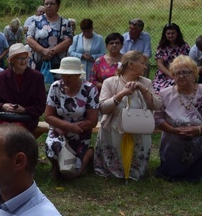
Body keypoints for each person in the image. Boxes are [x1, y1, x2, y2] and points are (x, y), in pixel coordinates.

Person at [94, 51, 160, 181]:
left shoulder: (146, 82)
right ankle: (116, 171)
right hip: (114, 126)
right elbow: (102, 108)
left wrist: (143, 89)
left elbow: (157, 106)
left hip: (139, 125)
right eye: (142, 63)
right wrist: (121, 94)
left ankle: (134, 172)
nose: (145, 66)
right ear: (131, 64)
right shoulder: (110, 82)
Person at [44, 57, 99, 179]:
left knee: (72, 173)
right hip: (58, 129)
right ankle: (55, 165)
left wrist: (71, 129)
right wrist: (66, 126)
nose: (65, 79)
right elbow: (48, 116)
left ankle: (88, 155)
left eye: (69, 76)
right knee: (52, 146)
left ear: (78, 74)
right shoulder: (55, 87)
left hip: (81, 130)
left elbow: (93, 121)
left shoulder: (90, 89)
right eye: (63, 75)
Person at [153, 55, 202, 182]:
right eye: (177, 73)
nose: (181, 76)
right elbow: (157, 118)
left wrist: (199, 129)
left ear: (194, 73)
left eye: (185, 72)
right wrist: (173, 130)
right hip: (173, 141)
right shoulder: (165, 93)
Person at [0, 43, 47, 134]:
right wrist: (3, 106)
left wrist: (25, 110)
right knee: (4, 132)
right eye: (20, 58)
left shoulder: (37, 77)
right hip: (4, 118)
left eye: (26, 58)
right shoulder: (0, 77)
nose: (24, 61)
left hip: (27, 119)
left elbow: (41, 106)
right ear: (12, 60)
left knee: (16, 132)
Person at [26, 0, 73, 73]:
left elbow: (68, 41)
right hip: (38, 63)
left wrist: (51, 52)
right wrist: (43, 50)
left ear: (58, 6)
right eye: (46, 4)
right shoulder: (35, 21)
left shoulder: (65, 23)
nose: (49, 6)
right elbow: (29, 39)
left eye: (52, 4)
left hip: (58, 64)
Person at [151, 22, 190, 93]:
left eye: (173, 33)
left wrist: (177, 74)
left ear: (177, 33)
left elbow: (187, 62)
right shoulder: (161, 47)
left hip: (180, 73)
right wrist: (171, 75)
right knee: (157, 91)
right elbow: (160, 64)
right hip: (164, 74)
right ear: (165, 34)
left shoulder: (184, 46)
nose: (170, 35)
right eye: (168, 33)